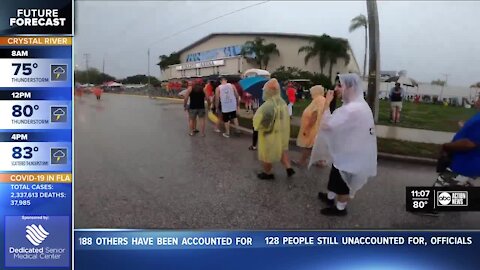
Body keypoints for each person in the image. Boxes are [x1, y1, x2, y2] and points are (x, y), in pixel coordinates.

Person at [311, 73, 377, 216]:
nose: (336, 89)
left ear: (351, 88)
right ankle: (330, 198)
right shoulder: (359, 104)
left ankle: (340, 209)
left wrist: (327, 103)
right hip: (349, 152)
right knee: (335, 177)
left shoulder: (351, 109)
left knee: (342, 183)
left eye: (340, 85)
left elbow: (327, 125)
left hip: (350, 155)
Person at [253, 78, 295, 180]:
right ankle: (289, 168)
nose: (264, 92)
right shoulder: (282, 102)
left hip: (269, 134)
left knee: (266, 155)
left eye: (265, 90)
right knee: (280, 150)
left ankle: (268, 173)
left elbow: (264, 124)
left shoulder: (268, 106)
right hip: (280, 132)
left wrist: (257, 121)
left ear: (269, 91)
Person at [434, 98, 480, 187]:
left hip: (462, 166)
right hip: (468, 166)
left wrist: (446, 146)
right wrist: (464, 127)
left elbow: (468, 143)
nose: (477, 100)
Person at [292, 85, 326, 167]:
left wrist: (307, 128)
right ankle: (320, 161)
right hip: (317, 127)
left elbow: (314, 115)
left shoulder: (318, 100)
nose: (311, 94)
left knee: (308, 145)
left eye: (312, 92)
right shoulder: (321, 99)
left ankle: (301, 161)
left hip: (313, 127)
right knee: (314, 145)